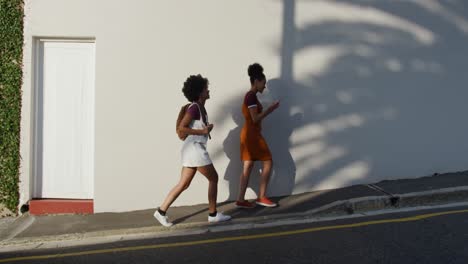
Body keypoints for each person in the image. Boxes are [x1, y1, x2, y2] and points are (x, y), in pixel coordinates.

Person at [154, 74, 231, 227]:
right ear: (199, 92)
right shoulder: (194, 107)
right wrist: (203, 132)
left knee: (184, 184)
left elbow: (195, 127)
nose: (208, 90)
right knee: (213, 178)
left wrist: (206, 129)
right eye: (205, 89)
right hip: (194, 149)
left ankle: (161, 211)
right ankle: (213, 214)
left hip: (192, 149)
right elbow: (182, 127)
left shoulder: (201, 108)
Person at [236, 63, 280, 208]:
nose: (264, 87)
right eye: (263, 83)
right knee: (268, 161)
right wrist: (271, 109)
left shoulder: (250, 96)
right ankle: (261, 197)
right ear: (256, 81)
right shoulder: (251, 97)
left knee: (247, 166)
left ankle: (240, 200)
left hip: (248, 135)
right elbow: (255, 118)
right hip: (252, 135)